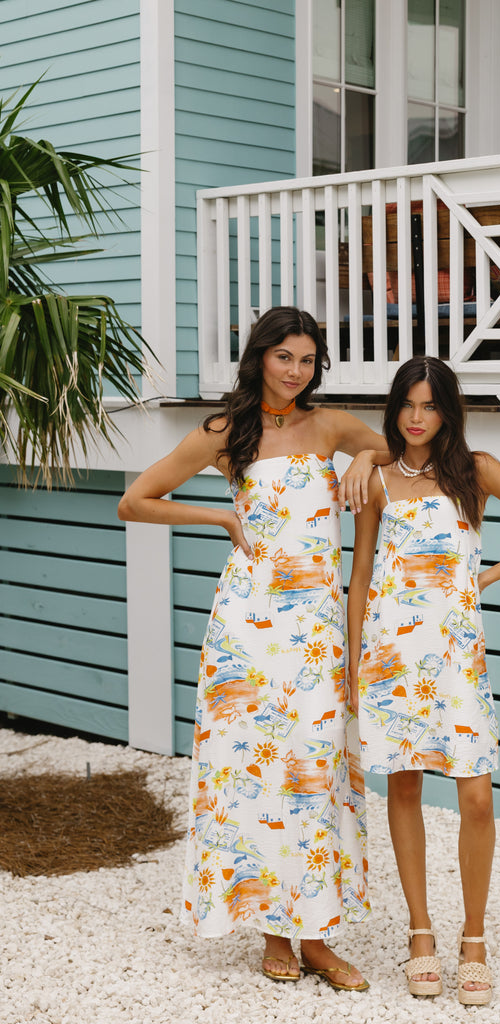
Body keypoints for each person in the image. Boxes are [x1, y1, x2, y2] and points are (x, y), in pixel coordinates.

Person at [118, 307, 389, 991]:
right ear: (259, 357)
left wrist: (363, 456)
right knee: (255, 773)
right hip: (246, 630)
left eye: (307, 360)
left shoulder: (331, 426)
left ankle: (316, 936)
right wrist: (216, 514)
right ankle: (273, 930)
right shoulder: (223, 432)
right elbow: (136, 500)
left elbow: (400, 448)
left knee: (315, 770)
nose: (295, 371)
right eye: (283, 357)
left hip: (317, 630)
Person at [347, 355, 500, 1003]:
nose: (417, 418)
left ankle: (474, 938)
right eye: (407, 405)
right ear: (394, 409)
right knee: (405, 786)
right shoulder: (378, 480)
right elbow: (360, 575)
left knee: (476, 798)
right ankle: (420, 934)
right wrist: (354, 663)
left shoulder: (477, 471)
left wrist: (483, 578)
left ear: (448, 411)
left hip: (455, 658)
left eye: (430, 405)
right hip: (390, 655)